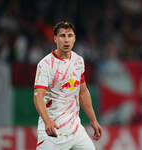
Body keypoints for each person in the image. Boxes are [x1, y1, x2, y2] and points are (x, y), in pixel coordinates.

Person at [34, 21, 102, 150]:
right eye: (62, 36)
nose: (66, 40)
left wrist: (93, 120)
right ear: (55, 39)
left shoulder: (78, 61)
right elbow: (38, 96)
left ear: (74, 38)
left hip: (75, 130)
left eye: (70, 35)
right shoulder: (45, 64)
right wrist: (47, 122)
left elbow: (83, 92)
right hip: (53, 131)